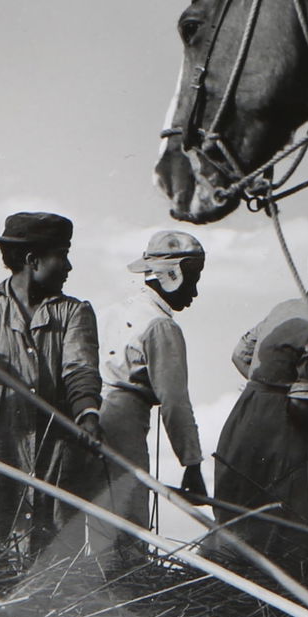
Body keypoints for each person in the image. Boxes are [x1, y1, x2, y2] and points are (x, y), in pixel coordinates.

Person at [0, 212, 102, 564]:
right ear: (33, 260)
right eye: (62, 255)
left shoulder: (73, 313)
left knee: (51, 553)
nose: (69, 266)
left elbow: (80, 371)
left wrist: (88, 414)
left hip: (53, 453)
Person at [211, 245, 308, 558]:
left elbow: (240, 354)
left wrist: (266, 384)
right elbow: (300, 406)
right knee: (277, 519)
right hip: (277, 430)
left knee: (238, 510)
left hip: (245, 412)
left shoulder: (285, 308)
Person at [93, 231, 207, 557]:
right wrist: (192, 463)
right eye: (193, 281)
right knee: (127, 519)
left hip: (89, 416)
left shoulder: (111, 312)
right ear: (173, 276)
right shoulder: (161, 326)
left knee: (99, 517)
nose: (195, 292)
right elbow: (175, 402)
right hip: (125, 423)